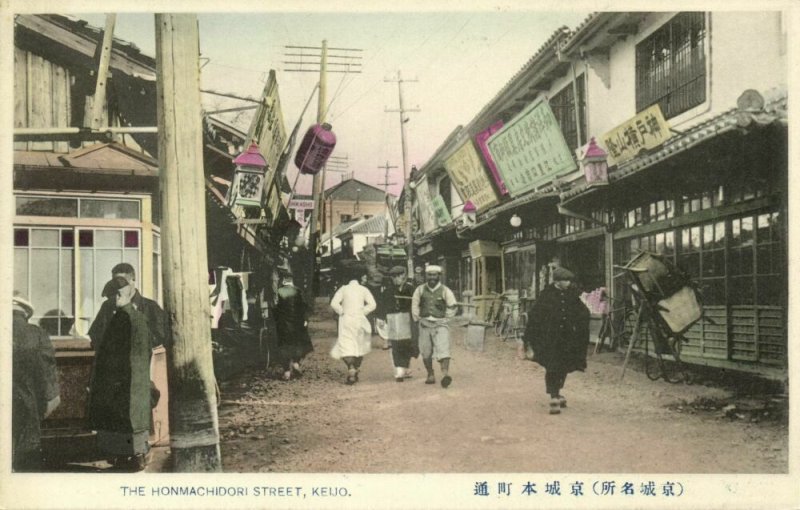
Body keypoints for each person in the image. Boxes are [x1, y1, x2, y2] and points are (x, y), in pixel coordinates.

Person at [87, 264, 166, 471]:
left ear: (133, 281)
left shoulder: (148, 307)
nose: (117, 289)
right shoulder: (107, 307)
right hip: (112, 370)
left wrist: (140, 342)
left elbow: (160, 335)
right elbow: (95, 334)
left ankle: (139, 452)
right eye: (114, 283)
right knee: (115, 410)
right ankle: (118, 454)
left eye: (122, 283)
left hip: (138, 368)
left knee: (136, 409)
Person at [523, 267, 590, 415]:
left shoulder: (572, 295)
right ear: (557, 281)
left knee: (564, 366)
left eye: (569, 280)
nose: (568, 283)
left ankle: (558, 392)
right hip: (550, 339)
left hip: (567, 339)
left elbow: (582, 311)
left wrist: (581, 320)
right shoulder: (546, 295)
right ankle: (553, 397)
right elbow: (534, 316)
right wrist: (530, 338)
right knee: (552, 366)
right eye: (565, 280)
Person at [12, 292, 60, 472]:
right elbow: (51, 391)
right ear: (26, 312)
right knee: (26, 464)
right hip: (27, 410)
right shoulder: (37, 334)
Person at [411, 265, 457, 388]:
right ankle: (430, 373)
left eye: (434, 275)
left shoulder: (445, 290)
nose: (432, 277)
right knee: (426, 352)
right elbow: (415, 306)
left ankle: (445, 375)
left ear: (439, 276)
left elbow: (452, 306)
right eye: (429, 275)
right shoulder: (419, 290)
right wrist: (419, 319)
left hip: (440, 324)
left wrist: (445, 320)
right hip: (425, 324)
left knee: (444, 350)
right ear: (426, 276)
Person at [330, 264, 376, 385]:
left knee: (346, 343)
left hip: (346, 320)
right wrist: (363, 312)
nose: (365, 278)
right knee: (359, 344)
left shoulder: (343, 289)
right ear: (360, 276)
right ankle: (356, 367)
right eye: (364, 276)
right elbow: (373, 304)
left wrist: (342, 311)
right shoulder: (364, 290)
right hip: (359, 319)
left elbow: (334, 303)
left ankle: (351, 367)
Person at [274, 274, 314, 381]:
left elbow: (275, 308)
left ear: (283, 280)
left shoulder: (278, 292)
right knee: (298, 344)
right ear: (291, 281)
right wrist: (305, 320)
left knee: (284, 346)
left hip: (283, 324)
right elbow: (304, 307)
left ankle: (287, 371)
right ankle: (296, 363)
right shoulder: (298, 291)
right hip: (298, 323)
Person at [381, 266, 418, 382]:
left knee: (408, 343)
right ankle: (399, 368)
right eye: (393, 276)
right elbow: (383, 305)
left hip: (408, 318)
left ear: (404, 275)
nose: (396, 279)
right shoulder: (388, 290)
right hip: (393, 318)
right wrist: (382, 318)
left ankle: (405, 367)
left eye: (398, 276)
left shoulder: (411, 289)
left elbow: (417, 304)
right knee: (396, 343)